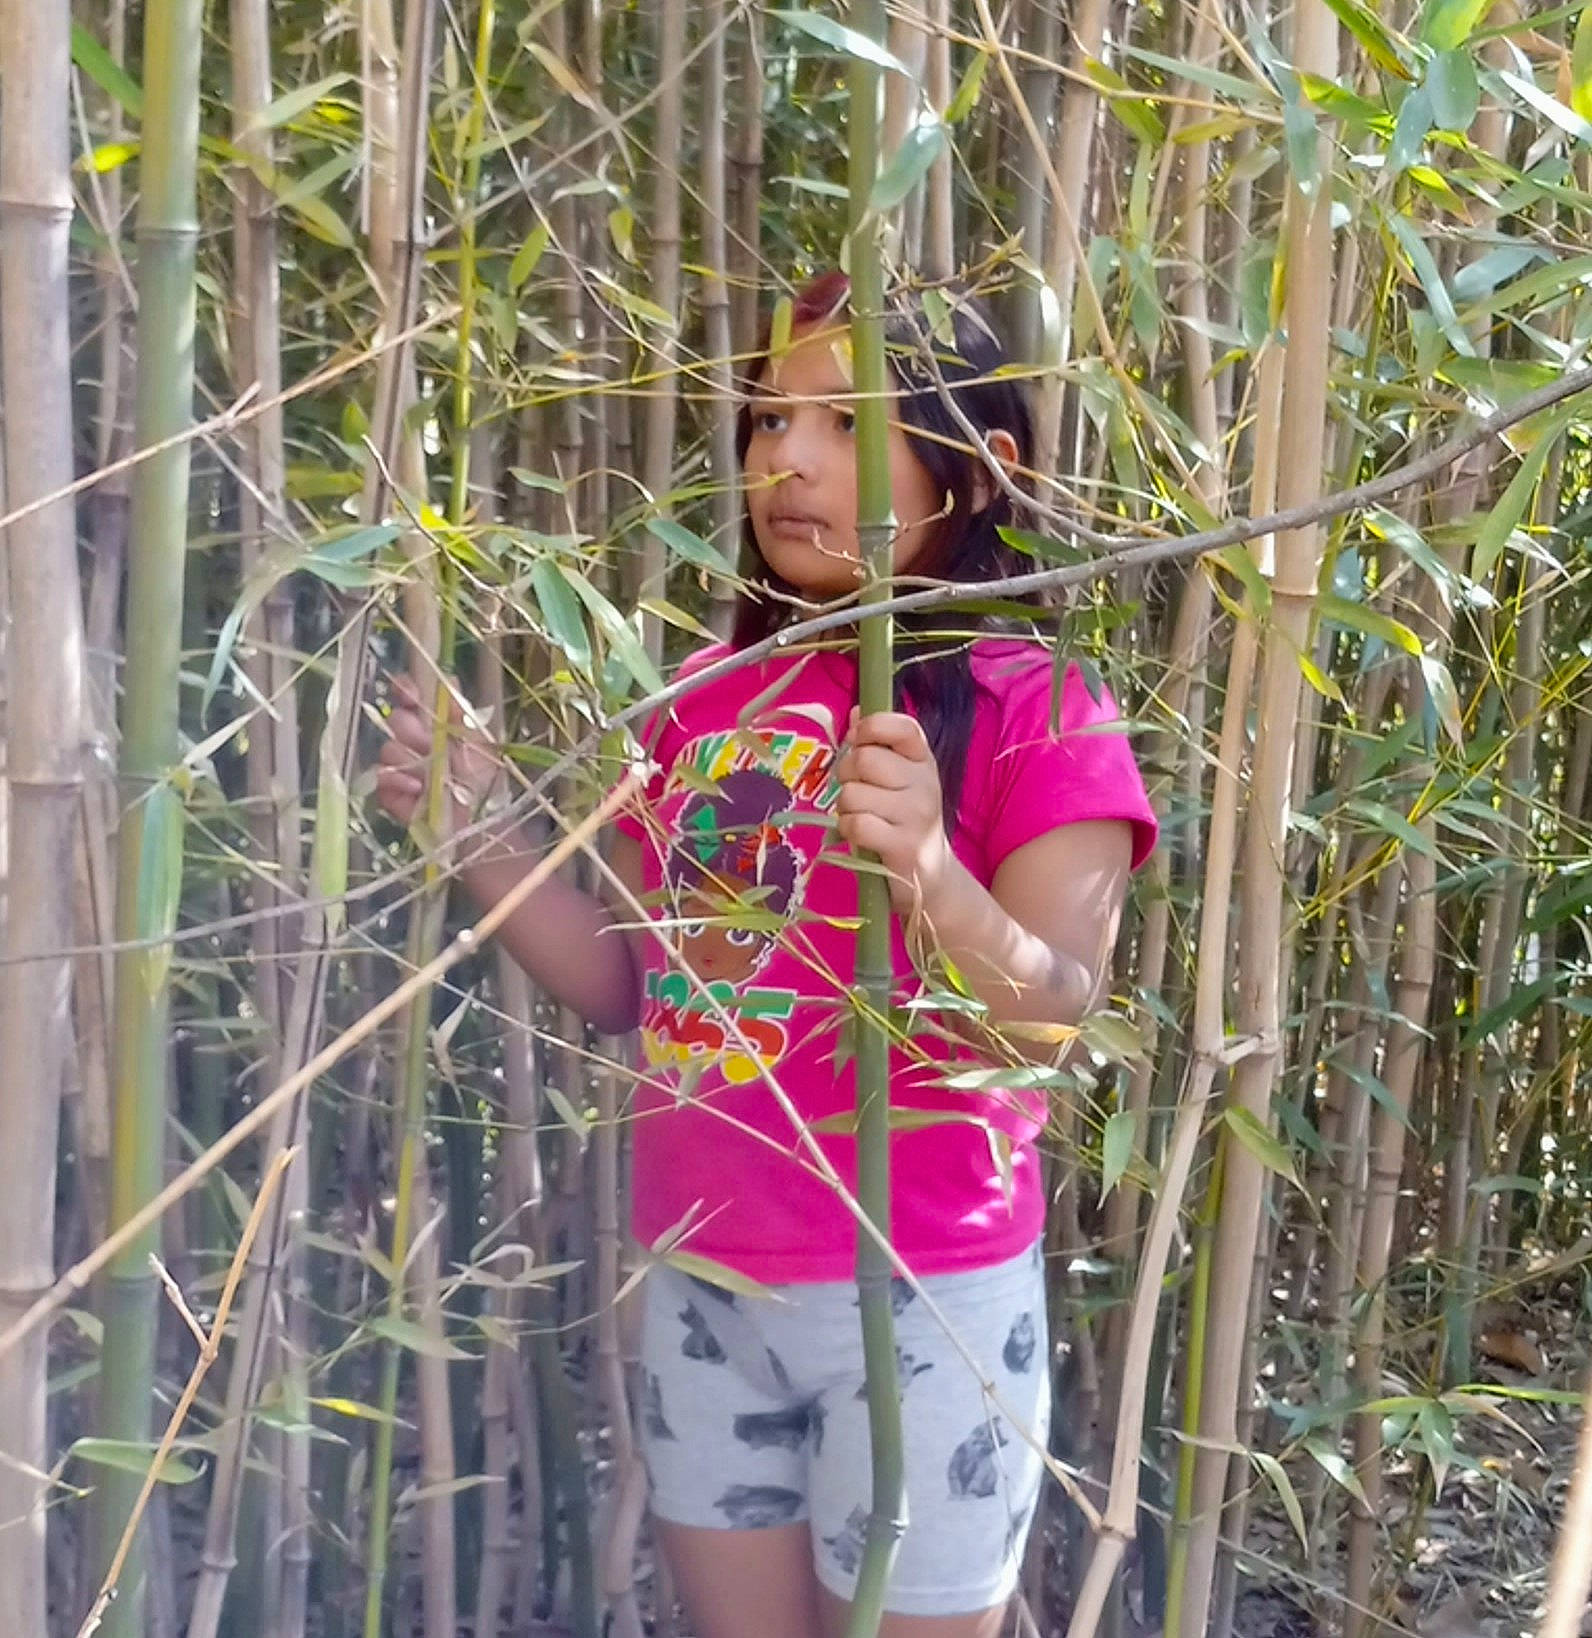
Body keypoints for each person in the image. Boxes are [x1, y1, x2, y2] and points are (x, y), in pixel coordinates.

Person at [376, 271, 1157, 1638]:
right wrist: (482, 834)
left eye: (845, 422)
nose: (785, 457)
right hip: (706, 1283)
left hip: (923, 1297)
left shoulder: (1038, 704)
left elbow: (1051, 1014)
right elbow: (632, 979)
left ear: (978, 467)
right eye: (768, 418)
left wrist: (928, 875)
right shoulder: (704, 696)